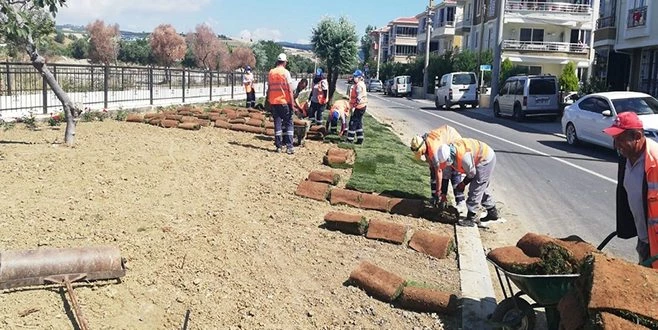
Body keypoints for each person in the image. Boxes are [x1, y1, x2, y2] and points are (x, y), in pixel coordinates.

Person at [603, 111, 658, 268]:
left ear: (638, 136)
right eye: (614, 139)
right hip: (645, 240)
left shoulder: (655, 160)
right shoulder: (626, 159)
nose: (616, 144)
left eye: (620, 139)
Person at [436, 138, 499, 227]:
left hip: (486, 159)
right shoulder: (448, 153)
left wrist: (463, 184)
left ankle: (471, 218)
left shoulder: (463, 157)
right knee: (481, 187)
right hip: (477, 159)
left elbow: (472, 173)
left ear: (449, 158)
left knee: (476, 187)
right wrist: (443, 194)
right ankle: (492, 211)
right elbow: (445, 176)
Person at [410, 125, 466, 215]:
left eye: (421, 152)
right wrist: (435, 194)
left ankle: (461, 202)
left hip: (454, 141)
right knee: (434, 170)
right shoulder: (425, 143)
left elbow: (439, 171)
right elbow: (432, 167)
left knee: (453, 171)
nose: (422, 154)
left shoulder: (434, 149)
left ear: (422, 147)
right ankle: (436, 198)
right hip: (444, 142)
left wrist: (438, 192)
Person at [267, 53, 295, 154]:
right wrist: (292, 104)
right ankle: (289, 147)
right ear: (285, 62)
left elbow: (269, 88)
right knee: (288, 124)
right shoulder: (285, 73)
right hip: (284, 102)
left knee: (277, 124)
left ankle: (278, 147)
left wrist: (269, 102)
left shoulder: (271, 72)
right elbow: (290, 90)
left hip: (274, 102)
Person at [347, 69, 368, 144]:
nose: (354, 77)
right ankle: (360, 139)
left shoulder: (359, 85)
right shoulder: (361, 84)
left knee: (353, 122)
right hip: (362, 106)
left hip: (358, 107)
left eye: (355, 76)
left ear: (359, 77)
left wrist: (354, 107)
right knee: (358, 123)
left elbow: (358, 98)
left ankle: (350, 139)